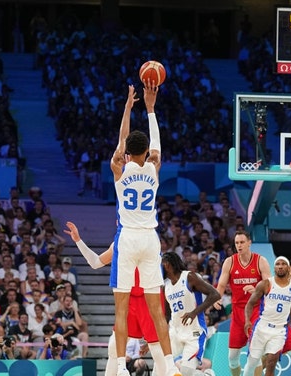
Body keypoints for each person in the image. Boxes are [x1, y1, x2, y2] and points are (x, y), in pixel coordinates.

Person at [109, 83, 180, 376]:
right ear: (145, 153)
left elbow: (121, 140)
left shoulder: (118, 167)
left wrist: (128, 107)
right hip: (151, 239)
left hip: (127, 238)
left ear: (127, 152)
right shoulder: (153, 167)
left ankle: (121, 367)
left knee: (121, 309)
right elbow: (157, 146)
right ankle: (172, 365)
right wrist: (150, 108)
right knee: (157, 310)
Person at [63, 221, 169, 376]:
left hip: (149, 296)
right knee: (113, 348)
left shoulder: (150, 238)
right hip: (128, 297)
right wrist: (78, 240)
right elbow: (95, 262)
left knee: (158, 350)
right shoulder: (118, 244)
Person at [214, 230, 271, 376]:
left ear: (249, 243)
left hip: (256, 312)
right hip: (238, 314)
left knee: (255, 354)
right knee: (232, 357)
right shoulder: (230, 262)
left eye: (242, 242)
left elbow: (270, 287)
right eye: (237, 243)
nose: (239, 245)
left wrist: (256, 289)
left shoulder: (260, 261)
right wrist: (217, 298)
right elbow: (221, 285)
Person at [242, 256, 291, 376]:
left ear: (288, 268)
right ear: (274, 267)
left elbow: (290, 310)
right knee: (252, 362)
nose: (280, 266)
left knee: (271, 362)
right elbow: (250, 304)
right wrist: (247, 321)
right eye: (278, 264)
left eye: (283, 264)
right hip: (262, 327)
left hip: (279, 330)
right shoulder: (265, 284)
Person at [162, 251, 220, 375]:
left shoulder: (189, 277)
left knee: (186, 371)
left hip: (194, 333)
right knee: (166, 368)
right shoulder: (165, 286)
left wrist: (194, 312)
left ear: (167, 265)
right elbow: (167, 315)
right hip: (176, 333)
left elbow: (215, 294)